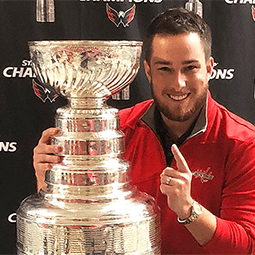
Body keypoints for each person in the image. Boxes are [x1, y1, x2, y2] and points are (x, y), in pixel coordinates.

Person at [33, 7, 255, 254]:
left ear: (209, 68)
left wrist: (189, 210)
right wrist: (51, 186)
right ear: (148, 71)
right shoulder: (114, 133)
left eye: (190, 68)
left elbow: (246, 245)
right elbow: (82, 229)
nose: (178, 83)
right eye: (165, 69)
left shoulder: (243, 142)